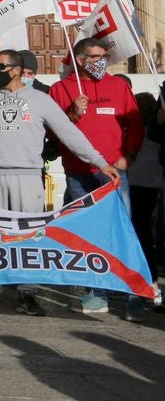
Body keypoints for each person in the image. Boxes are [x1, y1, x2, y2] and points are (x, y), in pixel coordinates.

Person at [0, 50, 119, 316]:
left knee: (29, 237)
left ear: (15, 70)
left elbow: (69, 133)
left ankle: (27, 293)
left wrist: (100, 162)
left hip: (28, 177)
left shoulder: (41, 100)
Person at [48, 38, 144, 318]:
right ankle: (96, 292)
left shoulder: (118, 86)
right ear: (80, 60)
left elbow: (135, 123)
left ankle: (132, 295)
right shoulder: (61, 88)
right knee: (88, 234)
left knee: (123, 231)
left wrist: (130, 156)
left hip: (113, 172)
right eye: (95, 56)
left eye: (104, 56)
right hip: (79, 172)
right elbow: (53, 132)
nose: (102, 61)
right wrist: (73, 113)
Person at [128, 91, 163, 314]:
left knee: (139, 233)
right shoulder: (151, 133)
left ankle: (146, 282)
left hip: (137, 185)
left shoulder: (143, 134)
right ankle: (151, 282)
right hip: (151, 186)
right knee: (146, 235)